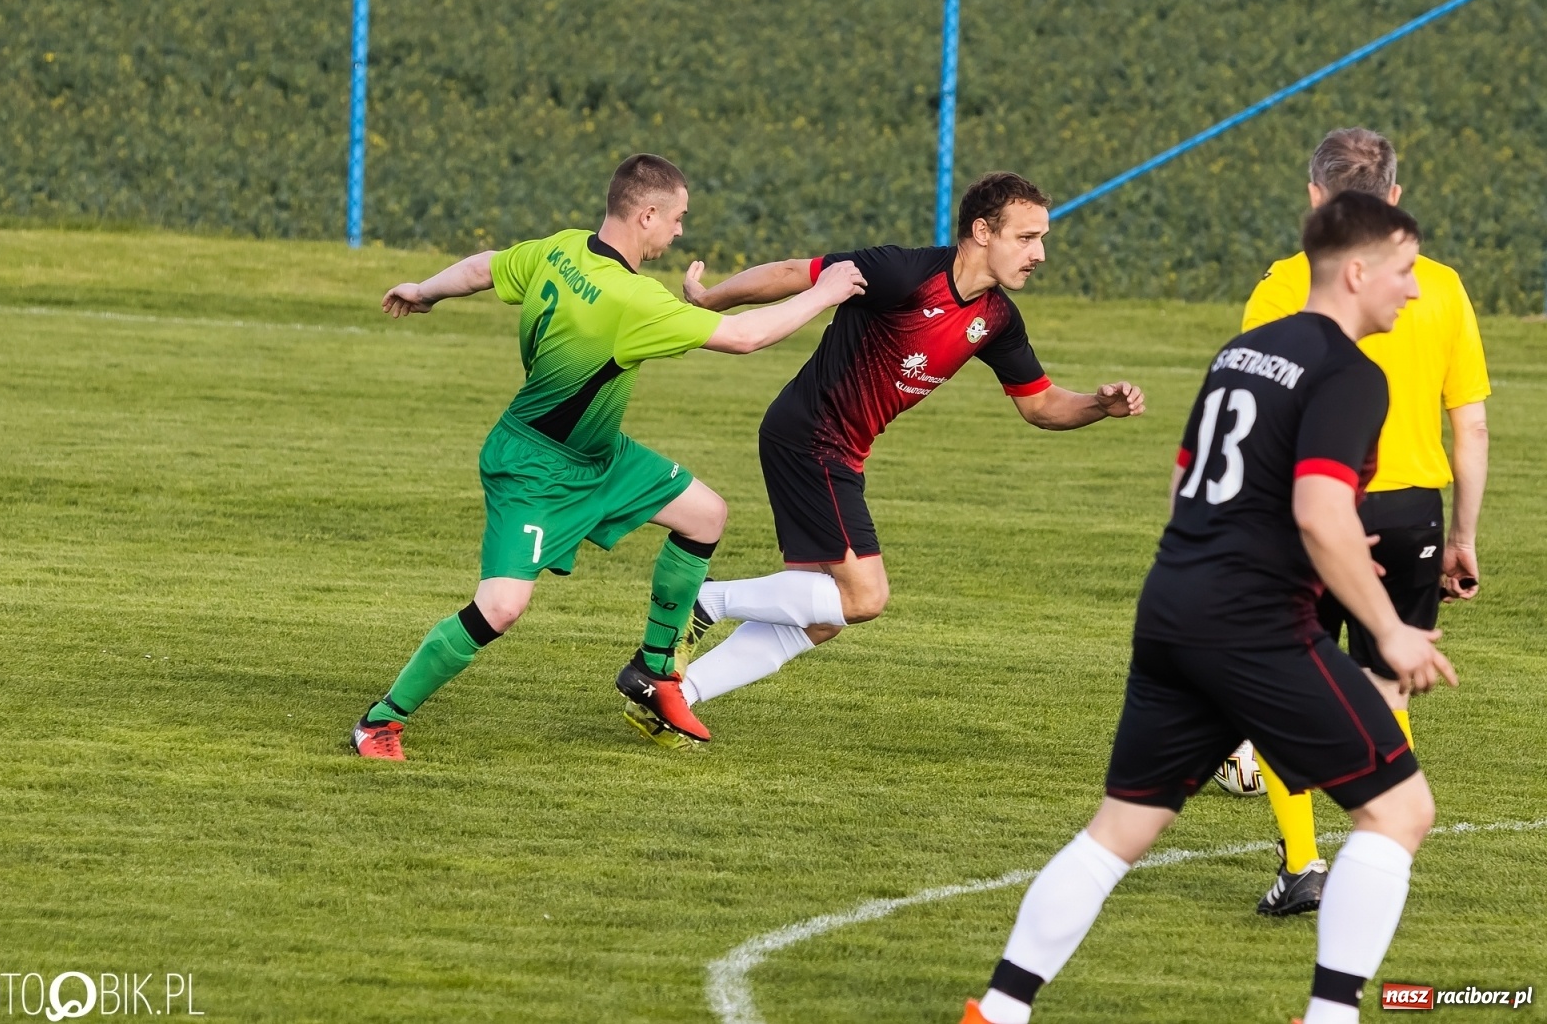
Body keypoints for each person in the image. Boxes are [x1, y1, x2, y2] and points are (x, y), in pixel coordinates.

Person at [961, 192, 1456, 1024]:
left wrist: (1284, 553)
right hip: (1253, 626)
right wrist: (1389, 628)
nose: (1413, 291)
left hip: (1173, 605)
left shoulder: (1244, 350)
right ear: (1360, 271)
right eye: (1404, 272)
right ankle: (1331, 1016)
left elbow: (1193, 485)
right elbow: (1318, 509)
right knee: (1401, 808)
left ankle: (1000, 1011)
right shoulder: (1350, 372)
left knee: (1118, 831)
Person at [349, 153, 866, 760]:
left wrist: (423, 289)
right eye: (677, 219)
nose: (678, 232)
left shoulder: (563, 249)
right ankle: (380, 720)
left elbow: (484, 268)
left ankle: (654, 671)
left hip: (600, 456)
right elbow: (746, 337)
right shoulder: (632, 300)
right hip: (534, 468)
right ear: (646, 213)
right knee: (502, 607)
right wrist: (825, 292)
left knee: (704, 514)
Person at [639, 172, 1144, 746]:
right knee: (864, 596)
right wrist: (711, 298)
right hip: (811, 437)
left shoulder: (997, 318)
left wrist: (1100, 405)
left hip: (840, 451)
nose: (1040, 254)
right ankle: (707, 599)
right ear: (982, 231)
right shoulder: (904, 273)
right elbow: (792, 273)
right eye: (1027, 238)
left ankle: (675, 693)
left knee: (821, 616)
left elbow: (1044, 405)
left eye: (1042, 238)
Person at [1241, 128, 1490, 917]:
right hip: (1415, 507)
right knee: (1389, 689)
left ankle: (1303, 866)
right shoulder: (1440, 287)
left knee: (1287, 682)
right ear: (1395, 195)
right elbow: (1471, 426)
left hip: (1318, 505)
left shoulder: (1282, 287)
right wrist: (1463, 538)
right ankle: (1380, 863)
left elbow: (1259, 419)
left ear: (1315, 198)